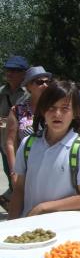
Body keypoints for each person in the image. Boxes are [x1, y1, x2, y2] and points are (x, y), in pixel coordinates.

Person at [8, 80, 80, 219]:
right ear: (43, 111)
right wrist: (12, 223)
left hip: (62, 229)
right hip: (29, 227)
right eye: (51, 107)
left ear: (75, 113)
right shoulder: (28, 144)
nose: (57, 114)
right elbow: (19, 189)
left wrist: (43, 207)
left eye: (65, 108)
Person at [4, 66, 51, 210]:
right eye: (39, 82)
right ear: (29, 86)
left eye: (47, 81)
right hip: (26, 169)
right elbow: (10, 142)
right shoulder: (17, 111)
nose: (45, 85)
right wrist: (13, 173)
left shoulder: (54, 108)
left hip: (51, 166)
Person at [0, 55, 30, 207]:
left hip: (26, 143)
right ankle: (14, 202)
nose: (9, 74)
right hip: (6, 143)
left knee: (26, 176)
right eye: (7, 70)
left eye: (14, 70)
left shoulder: (30, 92)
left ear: (24, 73)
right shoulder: (2, 92)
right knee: (10, 172)